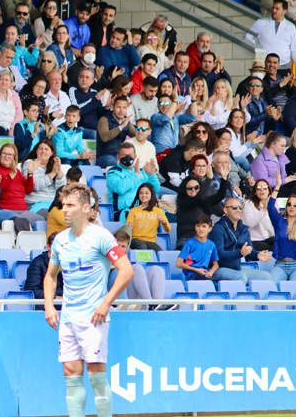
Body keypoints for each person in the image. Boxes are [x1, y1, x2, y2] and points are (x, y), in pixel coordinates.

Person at [43, 183, 132, 417]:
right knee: (71, 377)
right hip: (68, 318)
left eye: (71, 205)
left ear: (85, 207)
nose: (65, 210)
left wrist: (106, 303)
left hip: (93, 318)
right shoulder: (61, 240)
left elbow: (126, 270)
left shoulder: (101, 237)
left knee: (96, 377)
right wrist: (49, 305)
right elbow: (51, 276)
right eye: (63, 205)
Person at [209, 198, 273, 282]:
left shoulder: (243, 228)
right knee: (240, 277)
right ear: (225, 210)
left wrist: (257, 255)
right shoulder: (218, 228)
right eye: (234, 207)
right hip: (219, 269)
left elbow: (249, 251)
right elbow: (219, 255)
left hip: (237, 269)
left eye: (240, 208)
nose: (238, 210)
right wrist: (240, 253)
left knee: (266, 277)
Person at [106, 142, 160, 221]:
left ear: (135, 157)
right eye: (124, 155)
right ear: (118, 157)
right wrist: (137, 174)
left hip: (143, 212)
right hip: (123, 214)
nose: (127, 157)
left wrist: (151, 175)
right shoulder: (113, 172)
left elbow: (156, 189)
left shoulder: (142, 171)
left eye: (130, 155)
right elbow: (120, 188)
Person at [124, 183, 168, 250]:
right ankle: (143, 261)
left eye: (147, 193)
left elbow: (168, 230)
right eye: (141, 193)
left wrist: (164, 222)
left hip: (151, 242)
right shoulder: (133, 211)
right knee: (142, 246)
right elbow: (127, 229)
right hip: (135, 240)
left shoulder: (158, 211)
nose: (143, 195)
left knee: (160, 251)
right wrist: (129, 226)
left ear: (151, 194)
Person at [176, 215, 219, 280]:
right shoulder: (189, 243)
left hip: (204, 274)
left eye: (204, 226)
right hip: (190, 275)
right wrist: (196, 270)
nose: (200, 229)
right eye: (198, 226)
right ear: (195, 227)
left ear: (210, 229)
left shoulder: (211, 245)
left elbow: (216, 265)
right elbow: (179, 263)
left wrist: (211, 272)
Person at [243, 179, 276, 252]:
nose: (262, 191)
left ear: (269, 191)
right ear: (255, 192)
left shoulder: (273, 203)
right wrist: (263, 209)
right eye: (258, 189)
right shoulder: (248, 204)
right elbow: (249, 224)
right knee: (273, 251)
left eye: (265, 188)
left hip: (271, 238)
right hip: (255, 240)